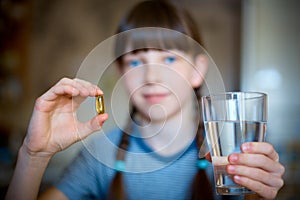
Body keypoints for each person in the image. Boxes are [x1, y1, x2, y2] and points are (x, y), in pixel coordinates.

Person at [5, 0, 284, 200]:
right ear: (121, 71)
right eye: (136, 61)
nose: (152, 75)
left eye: (170, 58)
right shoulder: (102, 155)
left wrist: (257, 196)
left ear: (198, 69)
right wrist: (34, 156)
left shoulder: (230, 153)